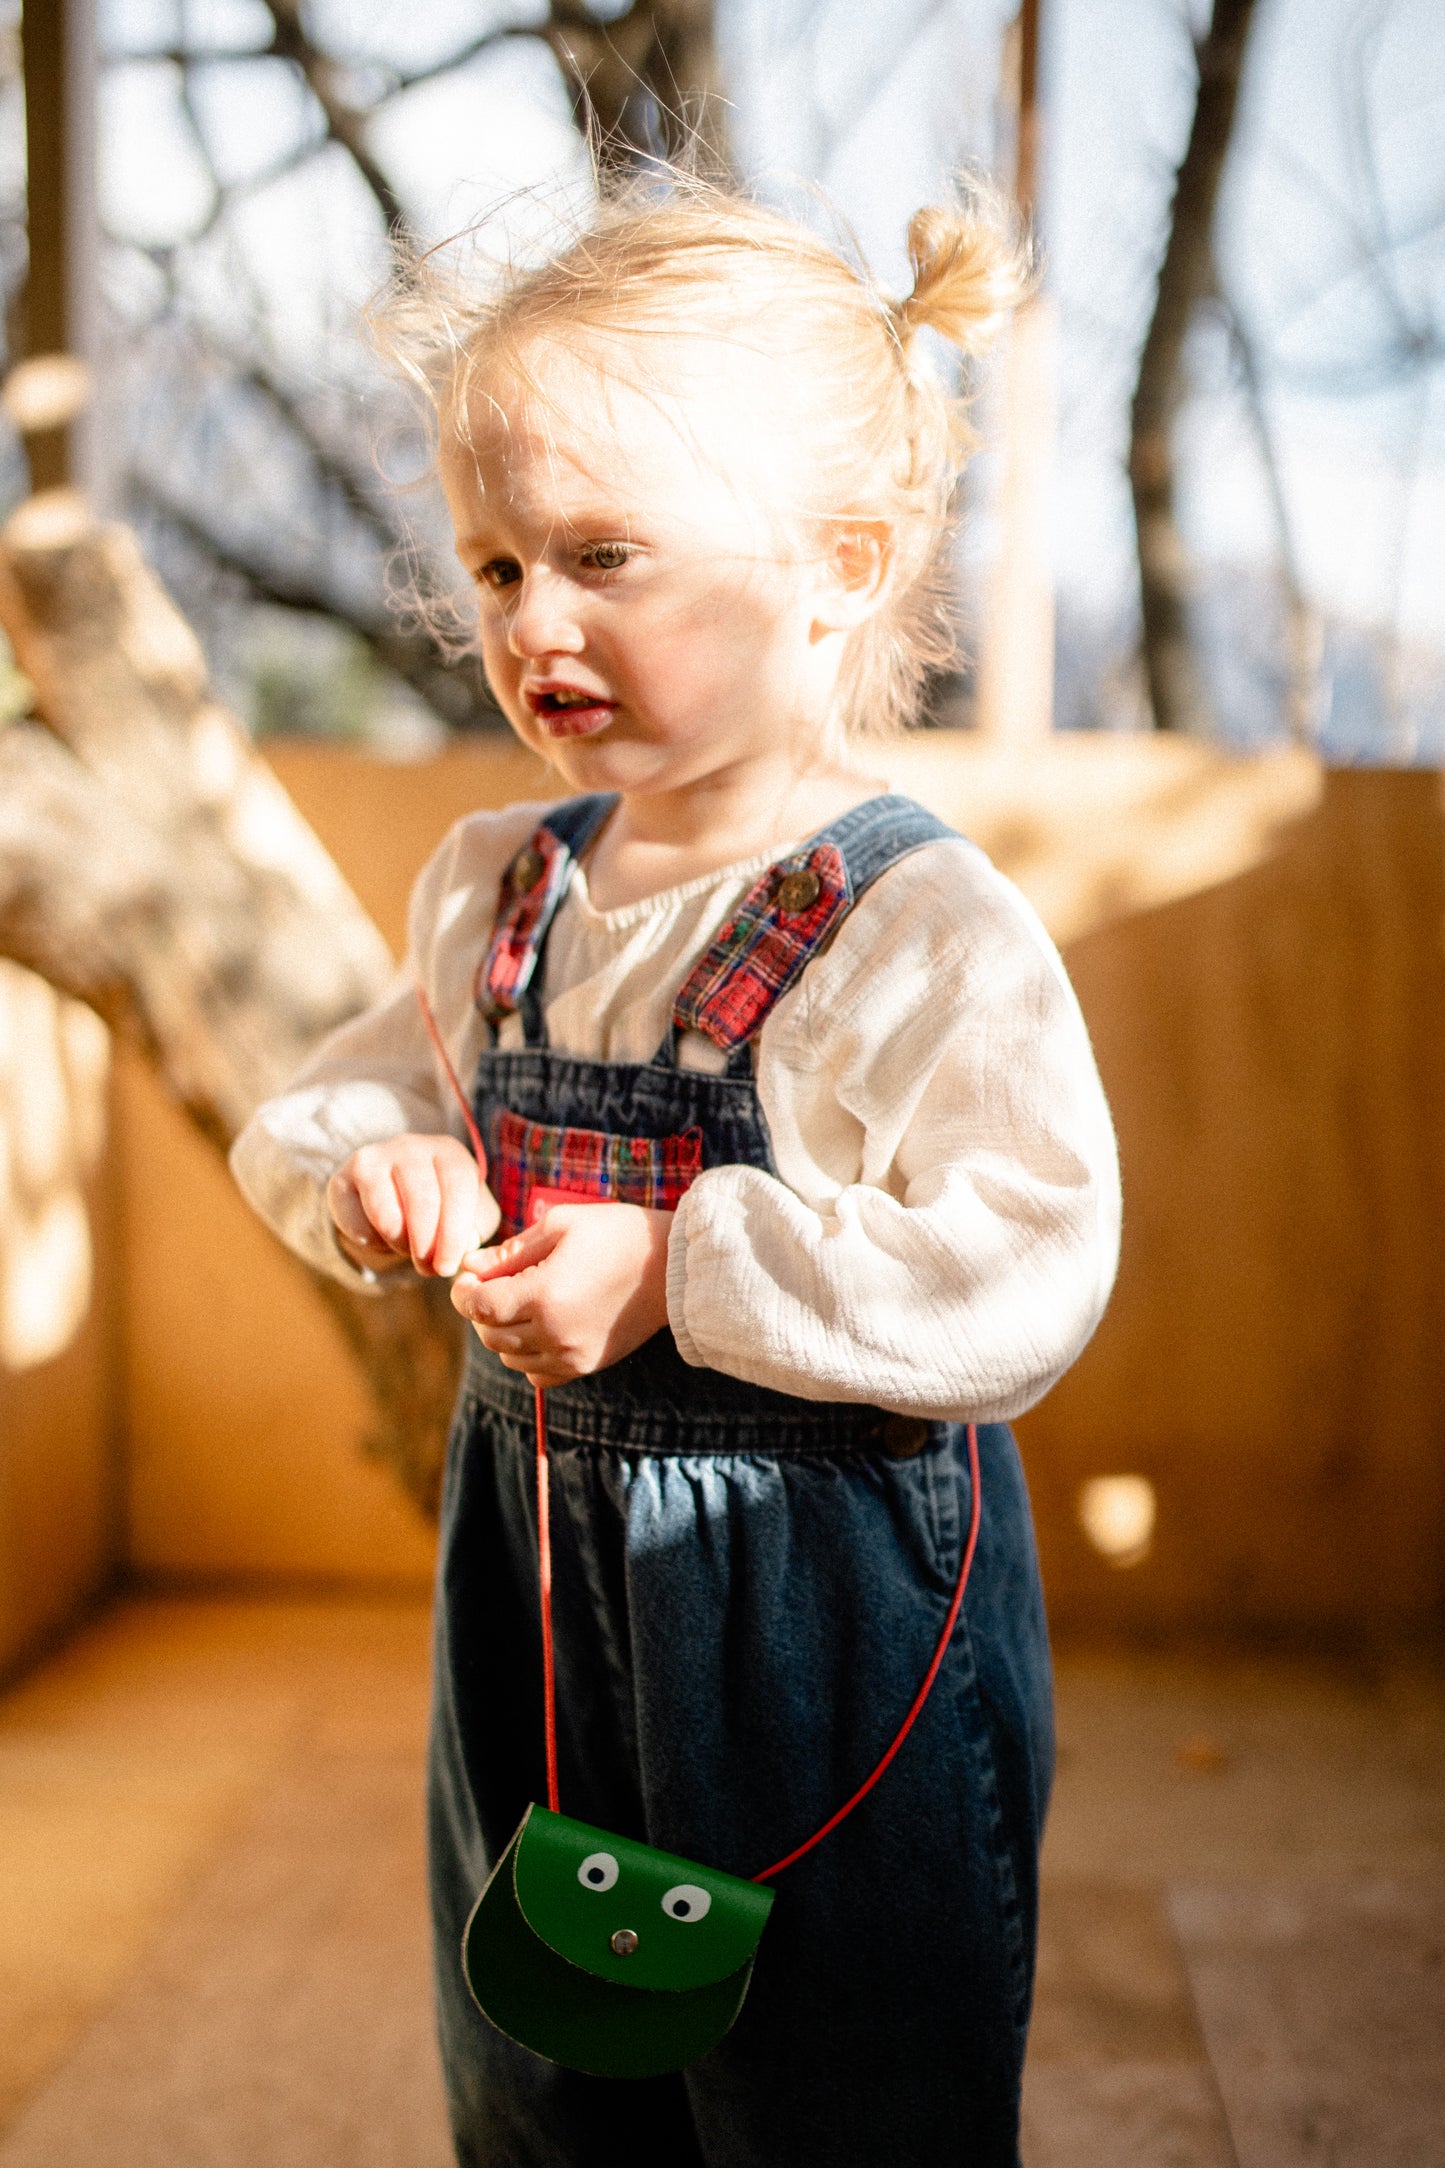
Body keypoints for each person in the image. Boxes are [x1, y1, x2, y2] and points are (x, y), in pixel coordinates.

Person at [231, 175, 1121, 2168]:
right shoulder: (499, 890)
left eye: (602, 555)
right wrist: (386, 1173)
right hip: (545, 1616)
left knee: (844, 2077)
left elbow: (1030, 1264)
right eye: (493, 566)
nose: (531, 621)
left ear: (839, 564)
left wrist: (681, 1268)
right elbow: (310, 1110)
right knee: (551, 2070)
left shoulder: (918, 927)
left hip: (830, 1638)